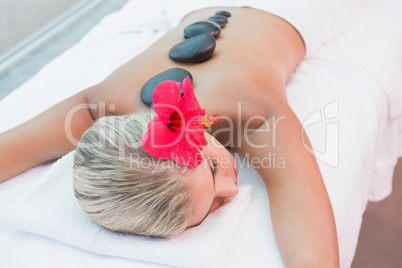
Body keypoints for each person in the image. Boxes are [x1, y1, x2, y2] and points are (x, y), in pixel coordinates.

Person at [0, 2, 367, 266]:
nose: (232, 189)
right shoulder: (98, 107)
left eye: (211, 171)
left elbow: (311, 249)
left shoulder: (250, 110)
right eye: (211, 208)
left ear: (190, 131)